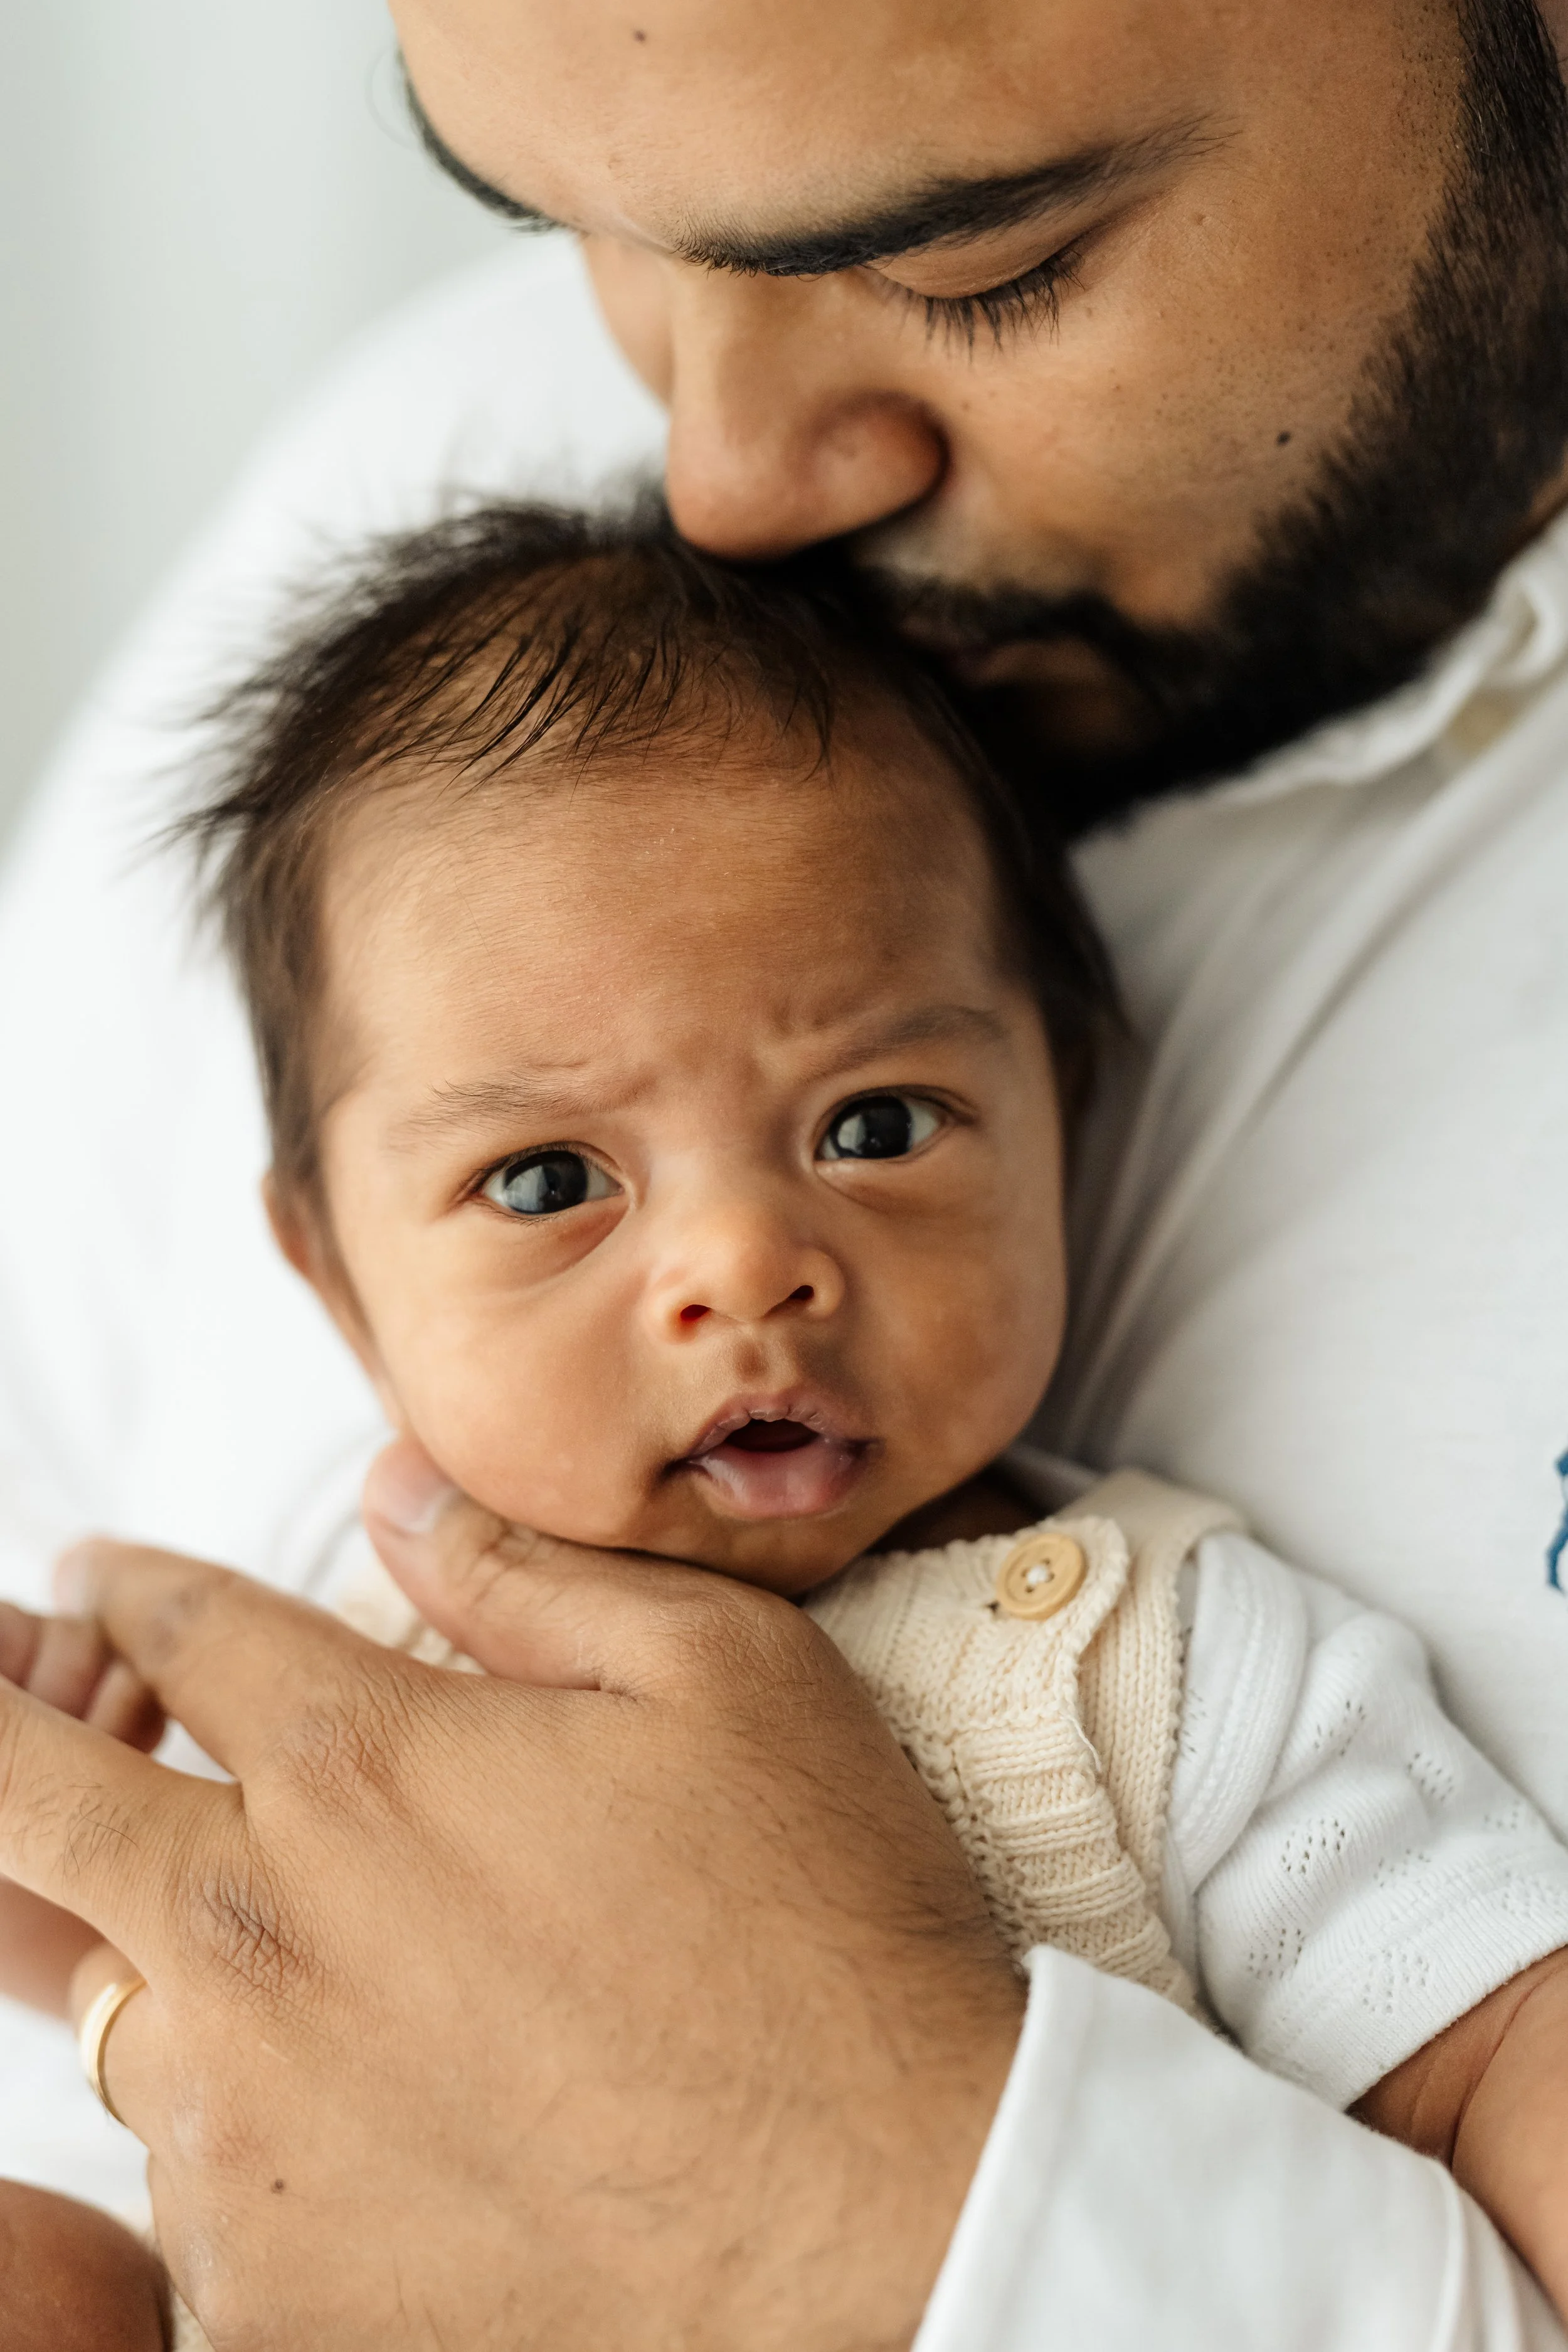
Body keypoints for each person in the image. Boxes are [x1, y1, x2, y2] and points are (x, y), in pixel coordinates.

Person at [2, 0, 1568, 2341]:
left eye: (974, 264)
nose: (712, 481)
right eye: (569, 225)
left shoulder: (1169, 1678)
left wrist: (888, 2216)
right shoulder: (416, 518)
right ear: (324, 1271)